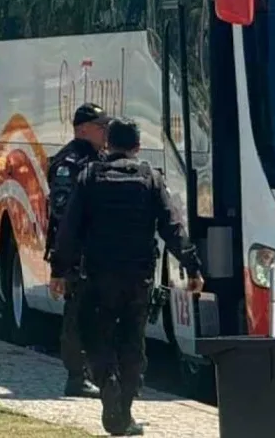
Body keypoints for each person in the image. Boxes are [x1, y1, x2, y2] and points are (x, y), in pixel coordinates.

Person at [50, 118, 205, 436]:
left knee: (97, 337)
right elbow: (172, 226)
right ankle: (126, 412)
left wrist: (59, 271)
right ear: (136, 146)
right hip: (138, 278)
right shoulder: (150, 178)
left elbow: (70, 229)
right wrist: (191, 266)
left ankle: (108, 384)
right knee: (133, 342)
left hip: (97, 276)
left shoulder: (90, 175)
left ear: (108, 144)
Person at [45, 102, 109, 399]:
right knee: (77, 313)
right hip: (77, 252)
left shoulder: (98, 157)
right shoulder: (70, 162)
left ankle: (99, 373)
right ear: (83, 129)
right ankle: (76, 376)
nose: (105, 131)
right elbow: (62, 211)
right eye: (101, 126)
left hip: (98, 250)